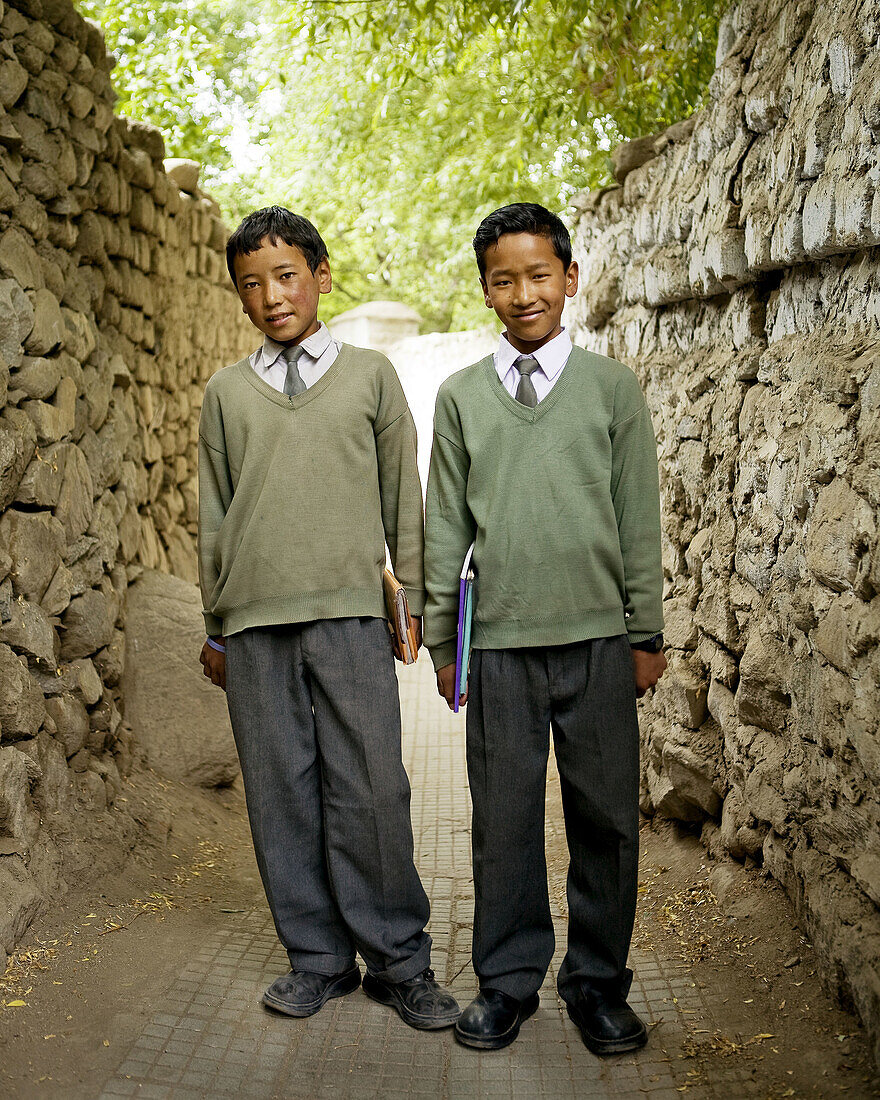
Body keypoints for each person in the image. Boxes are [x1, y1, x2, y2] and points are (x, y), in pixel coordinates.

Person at [197, 205, 459, 1031]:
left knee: (373, 787)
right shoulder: (225, 395)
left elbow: (401, 498)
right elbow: (213, 513)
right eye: (252, 285)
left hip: (350, 614)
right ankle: (316, 960)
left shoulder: (370, 378)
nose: (272, 297)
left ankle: (399, 962)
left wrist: (411, 598)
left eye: (285, 276)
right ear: (240, 298)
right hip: (255, 619)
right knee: (281, 791)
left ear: (320, 277)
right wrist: (215, 623)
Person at [423, 202, 666, 1054]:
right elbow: (445, 524)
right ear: (485, 289)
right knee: (506, 818)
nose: (523, 293)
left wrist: (645, 632)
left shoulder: (611, 390)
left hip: (599, 643)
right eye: (503, 278)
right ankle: (506, 980)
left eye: (538, 275)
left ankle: (598, 983)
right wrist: (441, 634)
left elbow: (638, 517)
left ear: (569, 279)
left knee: (605, 819)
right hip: (497, 651)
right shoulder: (460, 399)